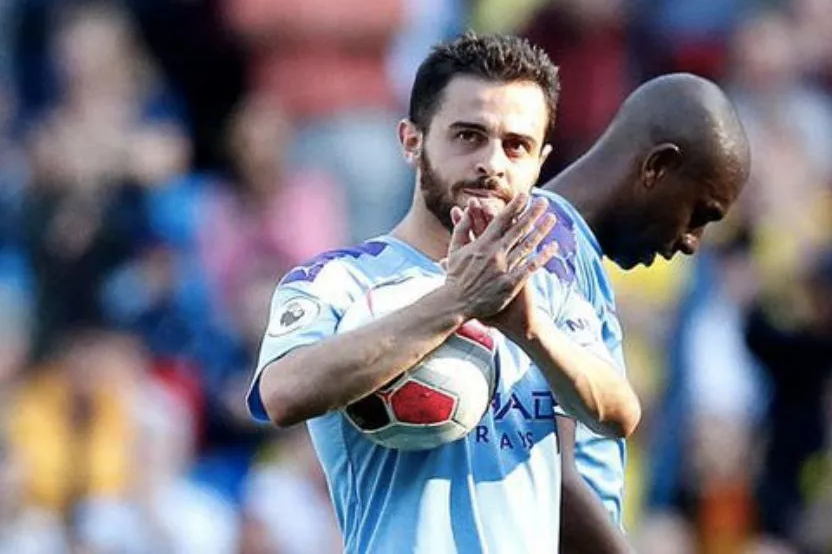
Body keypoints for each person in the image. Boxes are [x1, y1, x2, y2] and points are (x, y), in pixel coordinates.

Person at [245, 32, 641, 554]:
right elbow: (282, 394)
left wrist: (532, 333)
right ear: (412, 141)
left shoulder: (548, 290)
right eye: (468, 136)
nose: (492, 163)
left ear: (540, 161)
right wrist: (455, 302)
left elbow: (618, 414)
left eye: (516, 146)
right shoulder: (340, 280)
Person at [536, 73, 750, 553]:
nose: (692, 242)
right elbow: (551, 478)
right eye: (699, 214)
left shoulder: (575, 258)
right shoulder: (545, 255)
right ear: (657, 167)